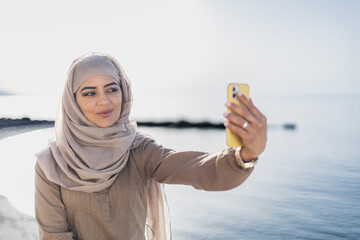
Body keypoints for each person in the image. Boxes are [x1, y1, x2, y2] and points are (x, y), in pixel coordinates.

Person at [34, 53, 267, 240]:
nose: (103, 101)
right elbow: (53, 235)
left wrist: (245, 155)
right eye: (89, 93)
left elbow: (194, 168)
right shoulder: (52, 162)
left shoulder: (139, 150)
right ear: (73, 102)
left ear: (123, 92)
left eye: (111, 89)